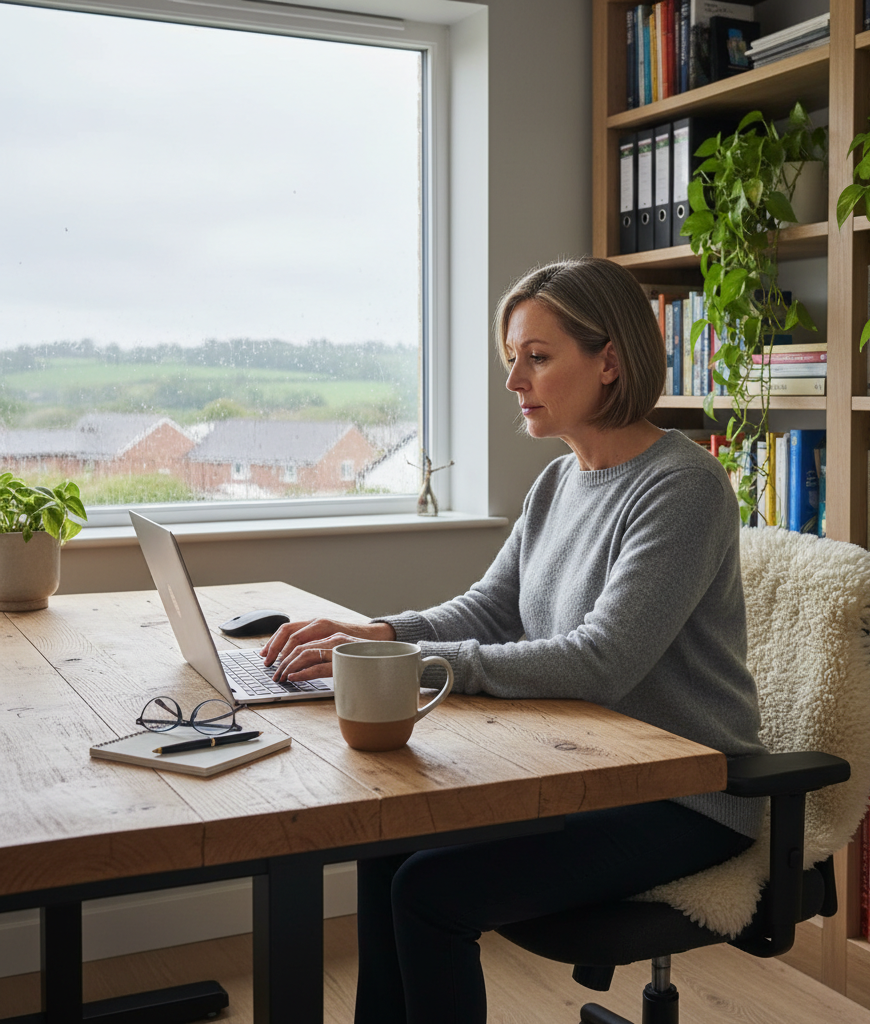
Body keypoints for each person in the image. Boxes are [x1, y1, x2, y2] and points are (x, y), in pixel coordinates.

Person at [259, 256, 767, 1024]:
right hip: (586, 770)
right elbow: (492, 608)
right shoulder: (558, 482)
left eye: (537, 357)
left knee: (429, 892)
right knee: (388, 846)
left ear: (609, 361)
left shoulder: (683, 485)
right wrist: (380, 633)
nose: (514, 381)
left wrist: (413, 665)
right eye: (511, 360)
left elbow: (603, 659)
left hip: (684, 795)